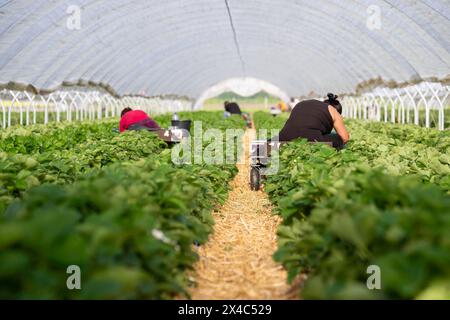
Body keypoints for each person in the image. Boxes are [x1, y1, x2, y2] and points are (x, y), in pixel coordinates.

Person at [278, 93, 350, 149]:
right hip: (311, 141)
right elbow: (345, 138)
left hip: (283, 138)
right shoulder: (333, 111)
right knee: (339, 139)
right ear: (338, 111)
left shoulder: (303, 103)